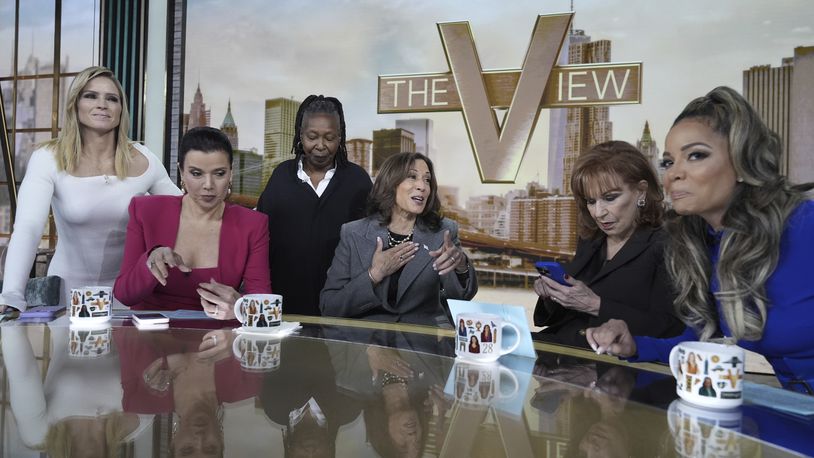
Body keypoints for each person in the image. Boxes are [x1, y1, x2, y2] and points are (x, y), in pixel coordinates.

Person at [586, 86, 814, 393]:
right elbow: (700, 342)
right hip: (795, 412)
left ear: (741, 160)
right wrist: (634, 345)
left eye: (696, 155)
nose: (674, 174)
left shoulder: (803, 225)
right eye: (668, 162)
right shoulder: (703, 242)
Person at [0, 66, 180, 311]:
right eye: (91, 95)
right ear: (75, 104)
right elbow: (28, 228)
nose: (102, 104)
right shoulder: (47, 158)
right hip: (67, 297)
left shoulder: (143, 158)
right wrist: (12, 295)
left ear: (120, 110)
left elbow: (187, 214)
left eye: (112, 98)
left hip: (128, 295)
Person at [532, 141, 684, 348]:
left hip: (613, 363)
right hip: (563, 346)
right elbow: (565, 315)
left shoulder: (668, 244)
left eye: (609, 198)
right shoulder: (591, 238)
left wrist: (596, 306)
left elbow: (672, 329)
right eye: (591, 201)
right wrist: (553, 294)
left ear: (641, 191)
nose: (598, 213)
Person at [114, 127, 270, 319]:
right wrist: (150, 261)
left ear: (231, 174)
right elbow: (124, 295)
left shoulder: (253, 224)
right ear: (181, 172)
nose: (208, 185)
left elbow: (262, 302)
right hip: (150, 337)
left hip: (217, 342)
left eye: (219, 173)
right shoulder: (145, 211)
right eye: (196, 173)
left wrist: (240, 308)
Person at [320, 152, 477, 326]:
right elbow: (330, 306)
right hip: (365, 343)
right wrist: (374, 275)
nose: (422, 186)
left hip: (421, 344)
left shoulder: (443, 232)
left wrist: (461, 266)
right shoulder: (353, 233)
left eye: (427, 180)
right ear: (391, 183)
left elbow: (462, 297)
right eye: (412, 177)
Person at [256, 95, 371, 316]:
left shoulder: (358, 181)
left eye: (330, 137)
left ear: (340, 137)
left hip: (341, 305)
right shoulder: (281, 176)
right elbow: (261, 236)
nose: (320, 146)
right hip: (285, 303)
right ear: (300, 135)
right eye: (312, 136)